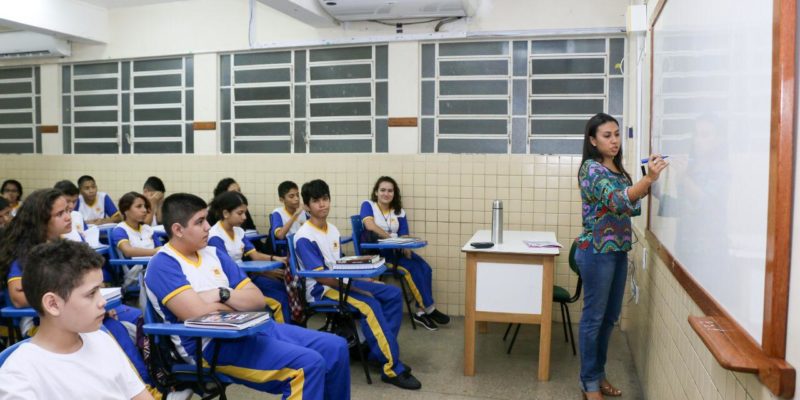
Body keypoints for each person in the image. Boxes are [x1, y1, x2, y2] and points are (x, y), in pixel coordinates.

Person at [145, 193, 350, 400]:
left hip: (252, 328)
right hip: (210, 346)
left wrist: (221, 294)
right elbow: (197, 314)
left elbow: (257, 301)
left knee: (336, 347)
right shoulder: (163, 264)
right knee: (307, 364)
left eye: (206, 219)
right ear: (178, 230)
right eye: (200, 222)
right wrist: (236, 303)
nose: (208, 227)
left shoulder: (214, 254)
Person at [295, 179, 421, 390]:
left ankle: (377, 352)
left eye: (325, 199)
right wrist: (354, 287)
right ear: (307, 206)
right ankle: (391, 368)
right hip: (322, 290)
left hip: (342, 283)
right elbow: (322, 277)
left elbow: (339, 263)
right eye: (316, 201)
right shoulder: (304, 236)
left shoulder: (332, 230)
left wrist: (361, 278)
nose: (322, 204)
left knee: (392, 294)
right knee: (370, 304)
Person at [575, 113, 667, 400]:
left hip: (616, 251)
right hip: (596, 252)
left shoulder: (616, 168)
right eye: (607, 136)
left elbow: (630, 204)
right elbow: (617, 201)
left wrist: (646, 183)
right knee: (593, 319)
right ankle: (589, 384)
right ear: (593, 140)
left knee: (609, 318)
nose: (614, 140)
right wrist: (648, 179)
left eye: (616, 134)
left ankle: (598, 374)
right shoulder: (591, 169)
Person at [0, 240, 153, 400]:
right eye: (91, 294)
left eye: (100, 291)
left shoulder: (102, 339)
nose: (103, 301)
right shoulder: (19, 377)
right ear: (53, 304)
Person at [360, 176, 450, 330]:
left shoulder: (399, 211)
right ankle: (429, 309)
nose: (386, 194)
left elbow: (404, 234)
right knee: (412, 269)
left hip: (397, 251)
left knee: (425, 268)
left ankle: (421, 313)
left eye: (390, 191)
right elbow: (370, 225)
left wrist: (406, 247)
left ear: (394, 194)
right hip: (379, 255)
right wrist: (391, 240)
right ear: (376, 192)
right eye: (382, 190)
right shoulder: (368, 205)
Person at [208, 191, 291, 323]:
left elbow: (255, 255)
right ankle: (282, 330)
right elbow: (227, 268)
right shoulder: (215, 237)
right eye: (240, 213)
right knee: (278, 299)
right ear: (226, 213)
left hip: (247, 277)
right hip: (233, 283)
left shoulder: (239, 231)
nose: (244, 217)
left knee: (281, 288)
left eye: (245, 213)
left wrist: (275, 258)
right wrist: (264, 272)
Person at [111, 192, 160, 288]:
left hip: (153, 267)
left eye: (145, 206)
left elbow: (161, 248)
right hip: (135, 273)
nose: (144, 210)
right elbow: (128, 251)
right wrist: (154, 252)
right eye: (139, 207)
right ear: (126, 210)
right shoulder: (120, 230)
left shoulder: (148, 229)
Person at [270, 180, 307, 256]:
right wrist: (296, 214)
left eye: (297, 195)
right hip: (287, 251)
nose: (296, 199)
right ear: (282, 199)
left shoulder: (304, 212)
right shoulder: (277, 213)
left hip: (304, 247)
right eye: (291, 196)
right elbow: (280, 235)